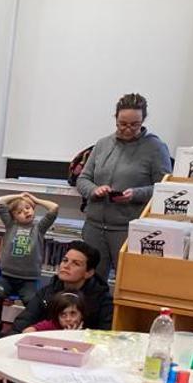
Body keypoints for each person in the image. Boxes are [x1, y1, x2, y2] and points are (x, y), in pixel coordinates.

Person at [76, 93, 172, 280]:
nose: (128, 129)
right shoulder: (103, 144)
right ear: (116, 119)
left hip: (128, 230)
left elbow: (165, 188)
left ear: (143, 120)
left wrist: (135, 194)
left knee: (129, 281)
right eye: (122, 124)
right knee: (90, 284)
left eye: (134, 125)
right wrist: (94, 190)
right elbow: (83, 179)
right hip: (94, 227)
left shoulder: (155, 147)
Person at [14, 240, 113, 332]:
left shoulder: (102, 300)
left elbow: (104, 337)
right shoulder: (47, 292)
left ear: (89, 273)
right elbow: (23, 323)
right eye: (65, 260)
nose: (66, 266)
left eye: (76, 263)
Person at [0, 192, 58, 305]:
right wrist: (19, 195)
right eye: (19, 212)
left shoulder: (39, 228)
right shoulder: (11, 225)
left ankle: (27, 323)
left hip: (28, 280)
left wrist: (35, 200)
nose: (25, 212)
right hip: (7, 278)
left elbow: (54, 208)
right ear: (14, 216)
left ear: (33, 209)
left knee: (32, 302)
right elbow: (0, 200)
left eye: (28, 208)